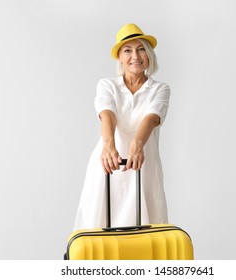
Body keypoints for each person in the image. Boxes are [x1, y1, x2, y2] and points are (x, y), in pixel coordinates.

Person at [73, 23, 170, 230]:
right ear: (120, 57)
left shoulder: (160, 89)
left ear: (149, 53)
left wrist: (137, 145)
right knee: (100, 223)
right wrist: (108, 145)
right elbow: (108, 113)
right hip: (109, 163)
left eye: (141, 48)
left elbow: (152, 118)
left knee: (145, 226)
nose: (135, 56)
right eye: (128, 50)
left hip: (144, 165)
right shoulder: (107, 85)